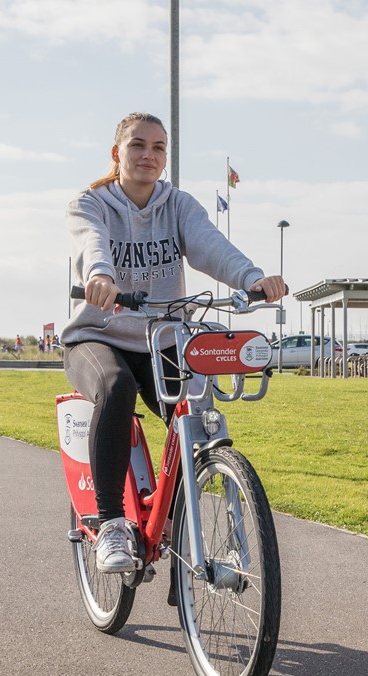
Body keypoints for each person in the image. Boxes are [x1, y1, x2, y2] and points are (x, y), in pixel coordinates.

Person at [62, 112, 285, 573]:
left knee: (195, 417)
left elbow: (210, 245)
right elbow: (92, 244)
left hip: (160, 335)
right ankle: (110, 526)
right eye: (138, 145)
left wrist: (253, 278)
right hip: (98, 335)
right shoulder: (92, 202)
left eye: (159, 148)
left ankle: (171, 522)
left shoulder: (178, 205)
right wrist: (101, 276)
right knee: (116, 386)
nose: (149, 155)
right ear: (116, 153)